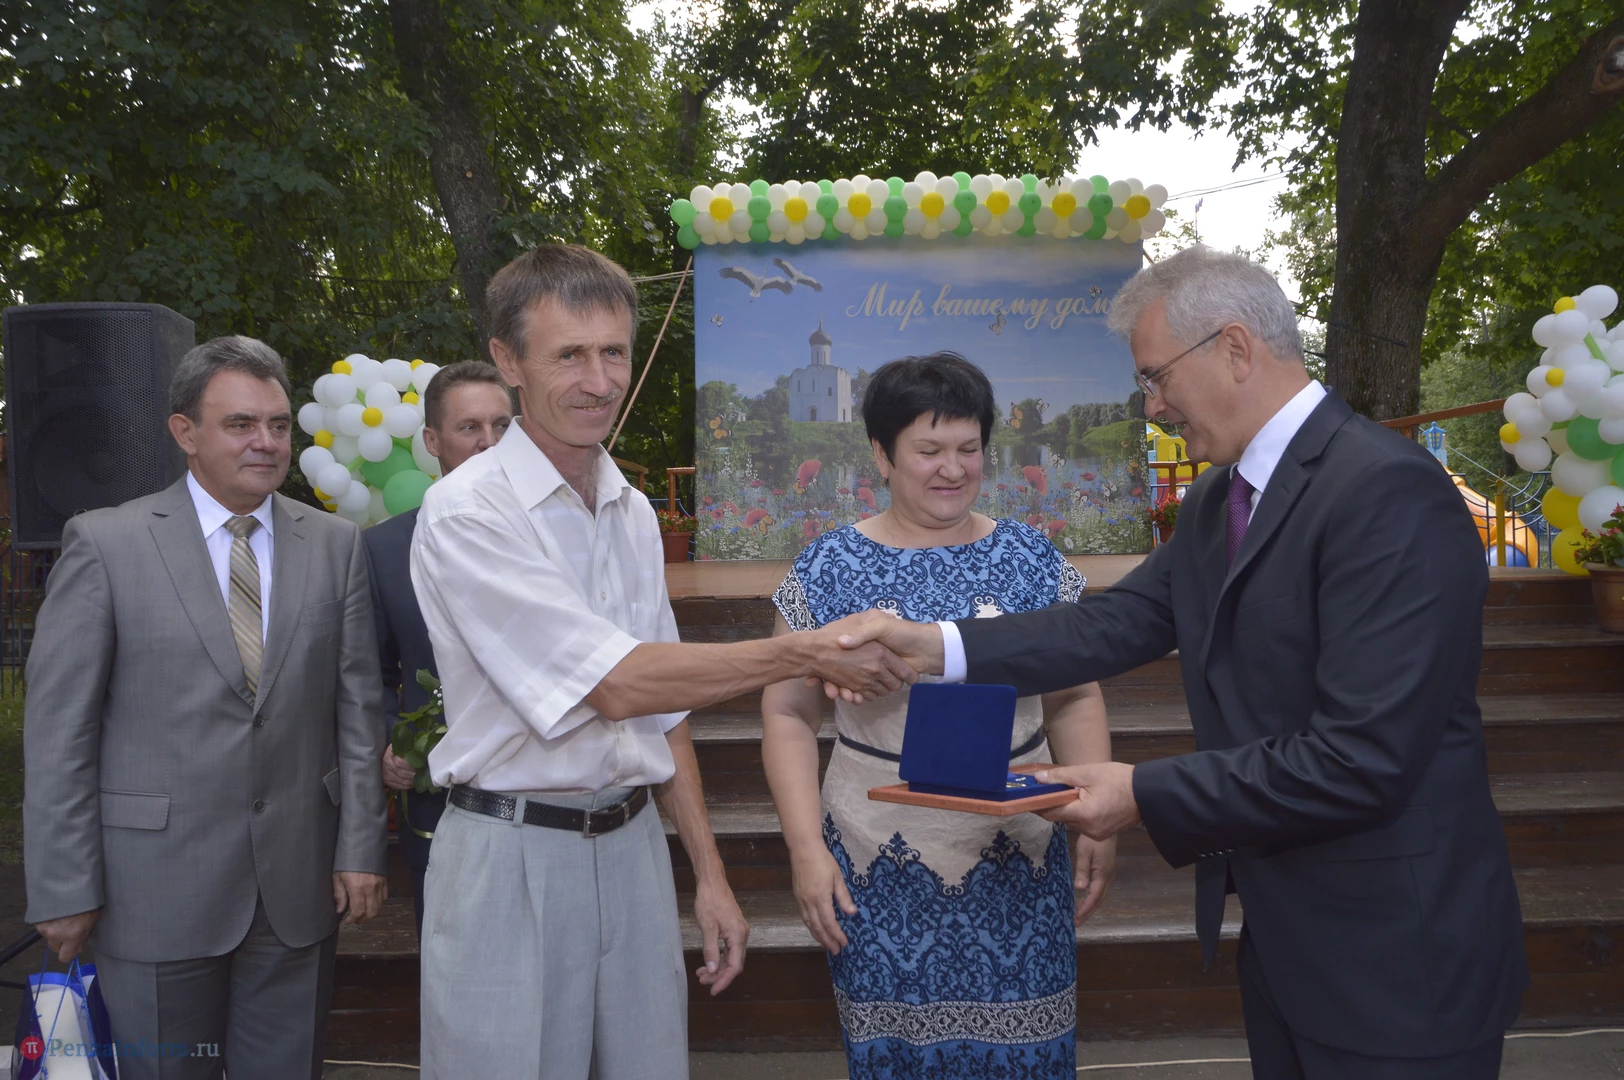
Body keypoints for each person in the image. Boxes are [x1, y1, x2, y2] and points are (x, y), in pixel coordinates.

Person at [836, 247, 1527, 1079]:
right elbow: (1115, 624)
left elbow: (1363, 757)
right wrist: (932, 645)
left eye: (1156, 377)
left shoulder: (1385, 489)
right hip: (1288, 944)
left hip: (1399, 957)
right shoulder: (1216, 501)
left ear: (1234, 348)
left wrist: (1141, 792)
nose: (1153, 406)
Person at [410, 243, 916, 1080]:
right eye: (569, 355)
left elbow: (663, 711)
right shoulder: (468, 511)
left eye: (614, 352)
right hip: (512, 854)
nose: (599, 380)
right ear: (508, 361)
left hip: (635, 846)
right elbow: (617, 685)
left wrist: (709, 875)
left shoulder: (631, 508)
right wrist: (803, 648)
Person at [24, 335, 390, 1080]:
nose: (266, 442)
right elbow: (60, 734)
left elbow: (358, 712)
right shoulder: (106, 544)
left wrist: (359, 847)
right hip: (151, 893)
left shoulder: (335, 545)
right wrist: (64, 886)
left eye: (278, 425)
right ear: (184, 432)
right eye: (241, 424)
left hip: (296, 893)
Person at [761, 353, 1115, 1079]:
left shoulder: (1032, 560)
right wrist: (804, 849)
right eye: (929, 450)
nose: (952, 469)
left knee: (1028, 1052)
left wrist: (1093, 812)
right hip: (877, 860)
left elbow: (1075, 694)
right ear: (882, 455)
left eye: (968, 449)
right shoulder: (826, 568)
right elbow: (788, 715)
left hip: (1020, 851)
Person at [365, 359, 514, 939]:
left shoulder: (562, 530)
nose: (489, 442)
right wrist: (389, 742)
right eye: (470, 427)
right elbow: (370, 672)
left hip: (556, 799)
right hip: (440, 806)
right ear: (432, 442)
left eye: (502, 426)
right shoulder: (383, 549)